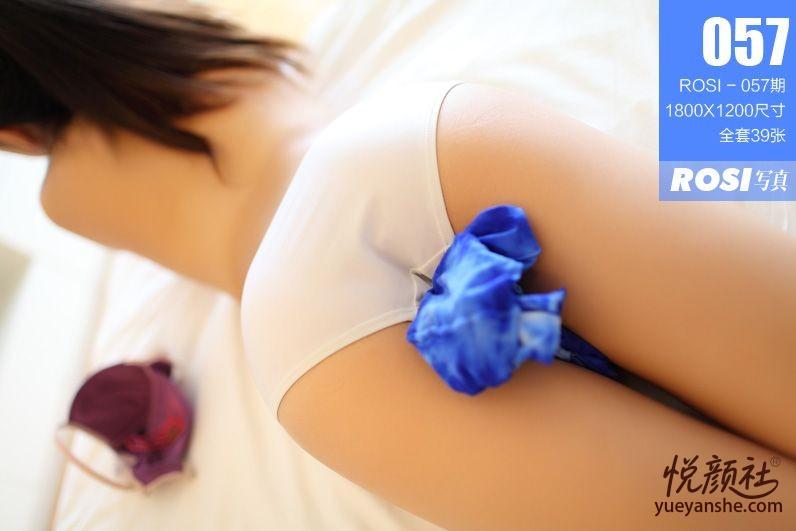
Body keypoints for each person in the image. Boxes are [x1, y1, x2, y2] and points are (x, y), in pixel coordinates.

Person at [1, 2, 794, 529]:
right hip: (404, 154)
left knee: (744, 509)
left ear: (10, 133)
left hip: (304, 318)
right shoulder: (172, 25)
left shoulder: (62, 197)